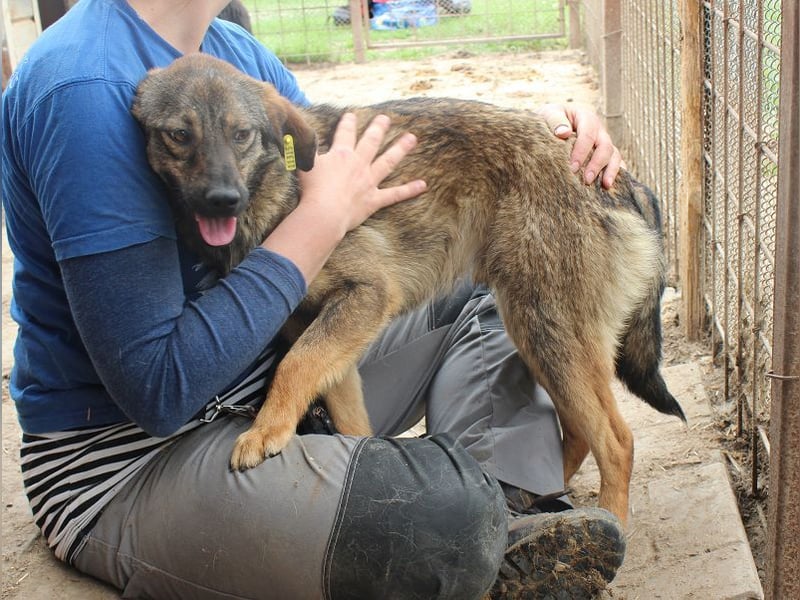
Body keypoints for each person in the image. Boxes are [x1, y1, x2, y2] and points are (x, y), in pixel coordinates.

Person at [1, 1, 626, 598]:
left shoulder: (230, 52)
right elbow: (158, 392)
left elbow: (345, 174)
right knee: (440, 517)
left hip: (263, 379)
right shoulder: (81, 90)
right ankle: (467, 515)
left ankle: (516, 507)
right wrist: (316, 224)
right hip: (132, 462)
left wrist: (540, 140)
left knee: (504, 288)